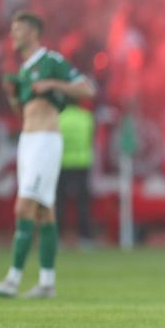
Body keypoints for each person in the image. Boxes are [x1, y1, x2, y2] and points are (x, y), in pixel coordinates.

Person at [0, 11, 96, 299]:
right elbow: (23, 113)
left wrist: (53, 85)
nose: (13, 34)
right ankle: (47, 283)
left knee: (23, 208)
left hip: (46, 140)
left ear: (34, 32)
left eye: (18, 29)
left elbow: (87, 88)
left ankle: (13, 279)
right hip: (28, 139)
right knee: (44, 211)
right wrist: (13, 94)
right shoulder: (23, 70)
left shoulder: (51, 61)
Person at [55, 102, 95, 247]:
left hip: (62, 163)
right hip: (82, 163)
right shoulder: (87, 117)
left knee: (59, 203)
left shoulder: (59, 118)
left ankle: (57, 238)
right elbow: (91, 139)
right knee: (83, 205)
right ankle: (85, 238)